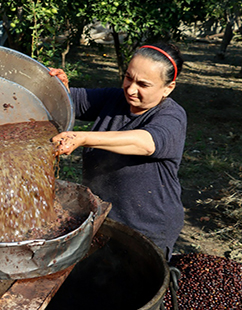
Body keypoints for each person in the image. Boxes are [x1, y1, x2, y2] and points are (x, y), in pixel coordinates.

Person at [50, 43, 186, 261]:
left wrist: (84, 137)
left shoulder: (172, 116)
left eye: (143, 84)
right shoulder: (114, 99)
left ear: (168, 88)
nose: (131, 89)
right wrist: (59, 88)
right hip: (102, 217)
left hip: (145, 228)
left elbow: (147, 142)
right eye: (128, 77)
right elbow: (68, 100)